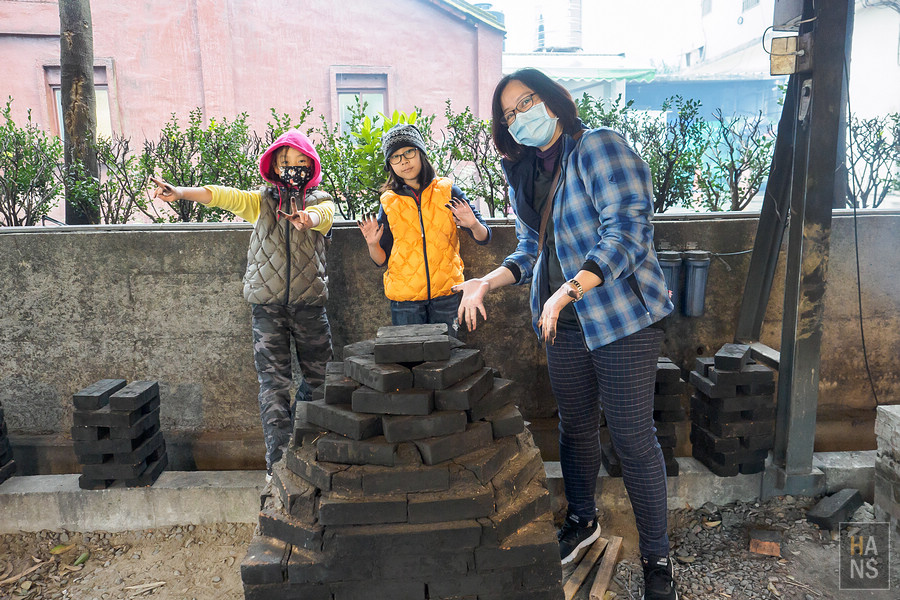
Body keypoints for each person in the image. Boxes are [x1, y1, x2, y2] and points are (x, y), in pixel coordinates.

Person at [453, 69, 679, 600]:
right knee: (575, 429)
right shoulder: (525, 173)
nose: (519, 117)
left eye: (526, 102)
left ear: (552, 100)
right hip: (564, 325)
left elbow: (628, 232)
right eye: (508, 113)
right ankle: (582, 521)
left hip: (621, 319)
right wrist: (486, 281)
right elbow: (529, 251)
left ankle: (657, 559)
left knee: (632, 438)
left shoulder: (597, 147)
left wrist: (569, 289)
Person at [150, 129, 334, 481]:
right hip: (266, 308)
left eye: (300, 161)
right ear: (274, 166)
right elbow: (221, 195)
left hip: (310, 306)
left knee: (323, 380)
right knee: (273, 385)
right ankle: (277, 464)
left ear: (311, 165)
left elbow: (323, 216)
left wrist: (307, 218)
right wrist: (181, 192)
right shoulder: (261, 202)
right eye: (285, 162)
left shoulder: (321, 199)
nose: (293, 168)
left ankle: (304, 443)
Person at [357, 123, 491, 335]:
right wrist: (373, 244)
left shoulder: (448, 190)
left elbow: (484, 236)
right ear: (390, 164)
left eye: (409, 152)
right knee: (409, 354)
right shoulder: (388, 201)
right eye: (395, 157)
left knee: (447, 352)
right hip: (405, 301)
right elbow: (381, 260)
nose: (404, 161)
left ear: (421, 152)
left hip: (447, 294)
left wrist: (473, 224)